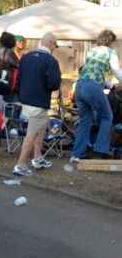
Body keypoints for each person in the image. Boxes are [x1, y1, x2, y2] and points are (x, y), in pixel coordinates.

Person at [13, 33, 61, 177]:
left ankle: (38, 157)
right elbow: (54, 83)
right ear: (51, 44)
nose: (55, 48)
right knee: (33, 133)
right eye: (56, 45)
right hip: (39, 101)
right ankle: (20, 165)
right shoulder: (51, 61)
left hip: (26, 99)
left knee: (41, 127)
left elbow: (19, 79)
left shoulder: (26, 57)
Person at [70, 29, 122, 163]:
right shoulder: (111, 53)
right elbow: (118, 72)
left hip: (80, 86)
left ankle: (77, 153)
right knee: (107, 116)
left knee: (85, 121)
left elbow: (96, 72)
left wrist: (111, 86)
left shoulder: (91, 51)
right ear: (110, 42)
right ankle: (101, 149)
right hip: (93, 87)